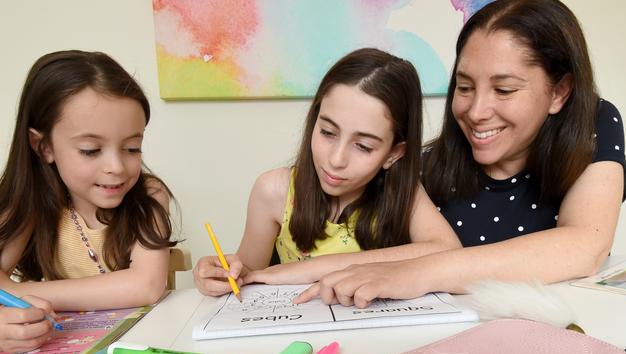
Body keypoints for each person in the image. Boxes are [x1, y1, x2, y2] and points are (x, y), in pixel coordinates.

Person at [295, 0, 626, 308]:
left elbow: (585, 244)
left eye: (504, 90)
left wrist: (416, 273)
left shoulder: (595, 123)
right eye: (464, 87)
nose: (476, 111)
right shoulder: (418, 168)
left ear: (559, 92)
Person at [194, 48, 460, 296]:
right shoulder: (274, 190)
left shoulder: (405, 194)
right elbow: (250, 277)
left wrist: (311, 268)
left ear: (393, 154)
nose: (336, 159)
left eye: (363, 146)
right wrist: (220, 276)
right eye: (328, 132)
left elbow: (447, 252)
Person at [0, 50, 176, 311]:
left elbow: (146, 286)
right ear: (43, 146)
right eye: (90, 150)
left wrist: (16, 291)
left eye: (132, 148)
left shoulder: (148, 195)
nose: (116, 167)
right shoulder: (30, 201)